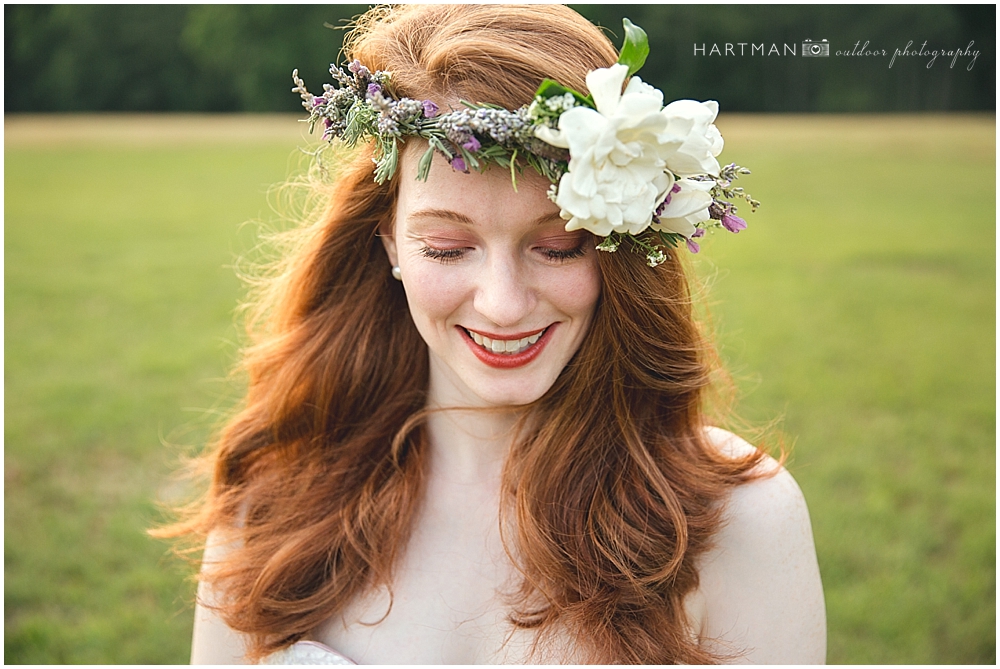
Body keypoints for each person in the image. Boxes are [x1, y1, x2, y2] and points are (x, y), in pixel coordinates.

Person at [168, 4, 826, 664]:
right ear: (389, 241)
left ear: (620, 248)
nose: (504, 305)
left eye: (559, 246)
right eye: (450, 247)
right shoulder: (270, 502)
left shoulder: (741, 524)